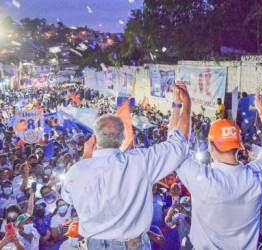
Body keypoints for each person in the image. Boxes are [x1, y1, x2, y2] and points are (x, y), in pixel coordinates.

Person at [61, 85, 191, 249]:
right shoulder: (140, 161)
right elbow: (178, 145)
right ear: (123, 138)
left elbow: (67, 196)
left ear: (94, 139)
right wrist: (182, 104)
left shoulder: (77, 171)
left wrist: (85, 158)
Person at [176, 93, 262, 249]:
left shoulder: (201, 178)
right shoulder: (256, 177)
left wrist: (182, 104)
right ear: (238, 146)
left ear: (211, 146)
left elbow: (174, 148)